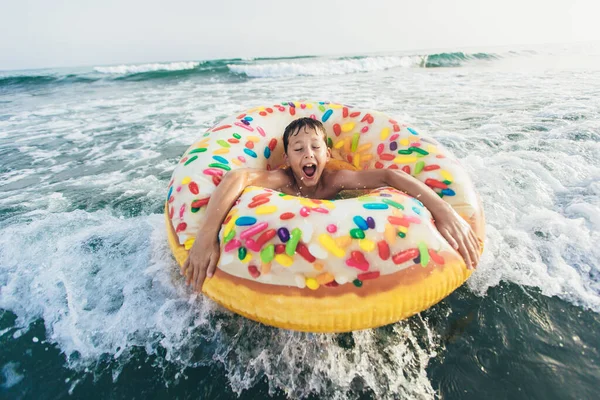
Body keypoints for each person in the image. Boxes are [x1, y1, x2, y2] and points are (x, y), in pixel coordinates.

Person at [182, 117, 481, 291]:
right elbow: (237, 177)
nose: (307, 154)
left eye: (315, 148)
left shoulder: (336, 180)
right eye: (298, 149)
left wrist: (443, 211)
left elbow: (390, 175)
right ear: (287, 159)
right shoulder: (282, 180)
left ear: (326, 154)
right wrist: (205, 238)